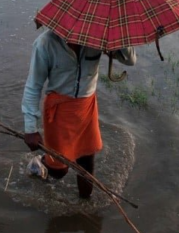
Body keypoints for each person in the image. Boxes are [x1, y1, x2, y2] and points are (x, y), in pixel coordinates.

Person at [21, 29, 136, 198]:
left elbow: (130, 60)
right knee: (59, 170)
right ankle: (40, 162)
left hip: (86, 107)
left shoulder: (98, 36)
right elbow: (33, 86)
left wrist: (117, 33)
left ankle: (85, 203)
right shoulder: (45, 43)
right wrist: (30, 128)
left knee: (87, 164)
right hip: (59, 110)